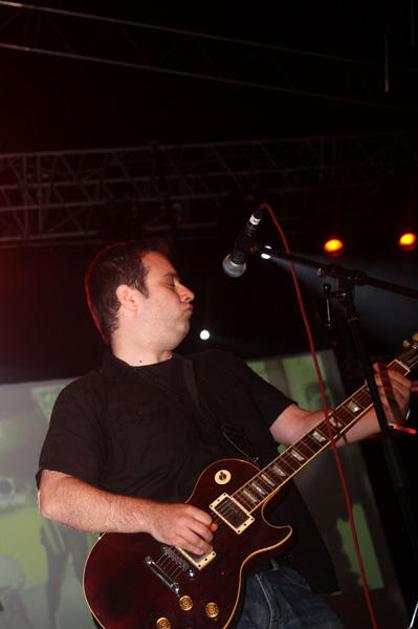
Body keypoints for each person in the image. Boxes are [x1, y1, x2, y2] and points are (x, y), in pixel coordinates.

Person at [36, 240, 411, 628]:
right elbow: (56, 497)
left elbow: (302, 429)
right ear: (128, 297)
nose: (188, 292)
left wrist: (379, 412)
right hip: (190, 606)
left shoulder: (220, 368)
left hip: (285, 580)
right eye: (170, 282)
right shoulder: (88, 397)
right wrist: (155, 518)